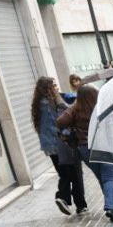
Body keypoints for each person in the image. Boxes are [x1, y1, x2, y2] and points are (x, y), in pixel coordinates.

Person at [57, 85, 113, 221]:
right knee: (109, 177)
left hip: (85, 149)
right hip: (106, 145)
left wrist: (75, 106)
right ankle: (111, 206)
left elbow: (60, 121)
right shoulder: (103, 106)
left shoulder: (76, 109)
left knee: (102, 177)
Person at [31, 76, 84, 216]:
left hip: (51, 146)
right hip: (61, 144)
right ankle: (65, 198)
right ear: (47, 88)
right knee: (73, 174)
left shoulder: (39, 103)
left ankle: (65, 199)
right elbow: (62, 118)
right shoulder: (51, 103)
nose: (57, 87)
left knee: (64, 174)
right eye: (53, 85)